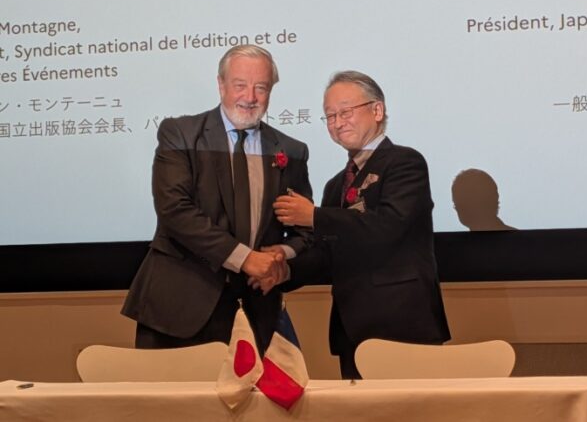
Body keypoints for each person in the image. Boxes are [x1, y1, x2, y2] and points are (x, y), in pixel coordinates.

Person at [122, 45, 312, 354]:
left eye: (261, 87)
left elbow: (305, 230)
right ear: (221, 84)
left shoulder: (291, 150)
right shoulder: (180, 134)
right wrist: (246, 259)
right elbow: (174, 209)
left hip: (256, 313)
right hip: (179, 308)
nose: (250, 97)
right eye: (240, 85)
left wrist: (281, 257)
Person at [272, 70, 450, 378]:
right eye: (330, 116)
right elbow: (327, 256)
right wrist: (284, 270)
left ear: (377, 110)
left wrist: (314, 216)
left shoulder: (405, 163)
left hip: (403, 324)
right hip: (352, 331)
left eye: (345, 112)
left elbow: (389, 227)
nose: (337, 123)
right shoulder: (335, 185)